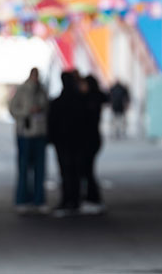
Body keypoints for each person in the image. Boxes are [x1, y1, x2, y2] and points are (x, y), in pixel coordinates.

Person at [8, 68, 49, 214]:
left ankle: (39, 200)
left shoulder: (43, 91)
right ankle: (22, 199)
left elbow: (47, 108)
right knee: (24, 168)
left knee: (40, 169)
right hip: (25, 133)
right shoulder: (22, 90)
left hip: (40, 133)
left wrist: (40, 109)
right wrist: (27, 112)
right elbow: (12, 109)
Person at [48, 71, 85, 216]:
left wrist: (51, 139)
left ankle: (67, 200)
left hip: (62, 142)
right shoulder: (80, 101)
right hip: (76, 142)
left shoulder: (58, 102)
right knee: (75, 171)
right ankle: (74, 200)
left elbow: (52, 123)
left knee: (65, 172)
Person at [80, 75, 109, 214]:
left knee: (88, 171)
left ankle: (93, 198)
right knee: (88, 170)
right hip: (94, 138)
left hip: (88, 139)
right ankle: (92, 197)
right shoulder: (97, 97)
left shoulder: (88, 99)